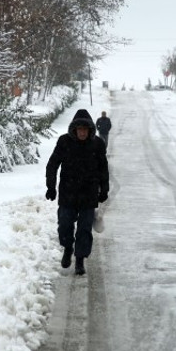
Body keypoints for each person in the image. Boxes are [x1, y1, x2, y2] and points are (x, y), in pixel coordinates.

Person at [46, 109, 109, 275]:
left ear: (89, 130)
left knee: (84, 229)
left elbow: (103, 168)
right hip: (68, 192)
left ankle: (80, 259)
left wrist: (104, 189)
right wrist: (51, 187)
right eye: (79, 129)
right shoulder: (64, 142)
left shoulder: (97, 144)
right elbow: (52, 164)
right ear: (74, 129)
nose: (82, 132)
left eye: (85, 129)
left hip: (89, 194)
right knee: (65, 225)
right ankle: (68, 248)